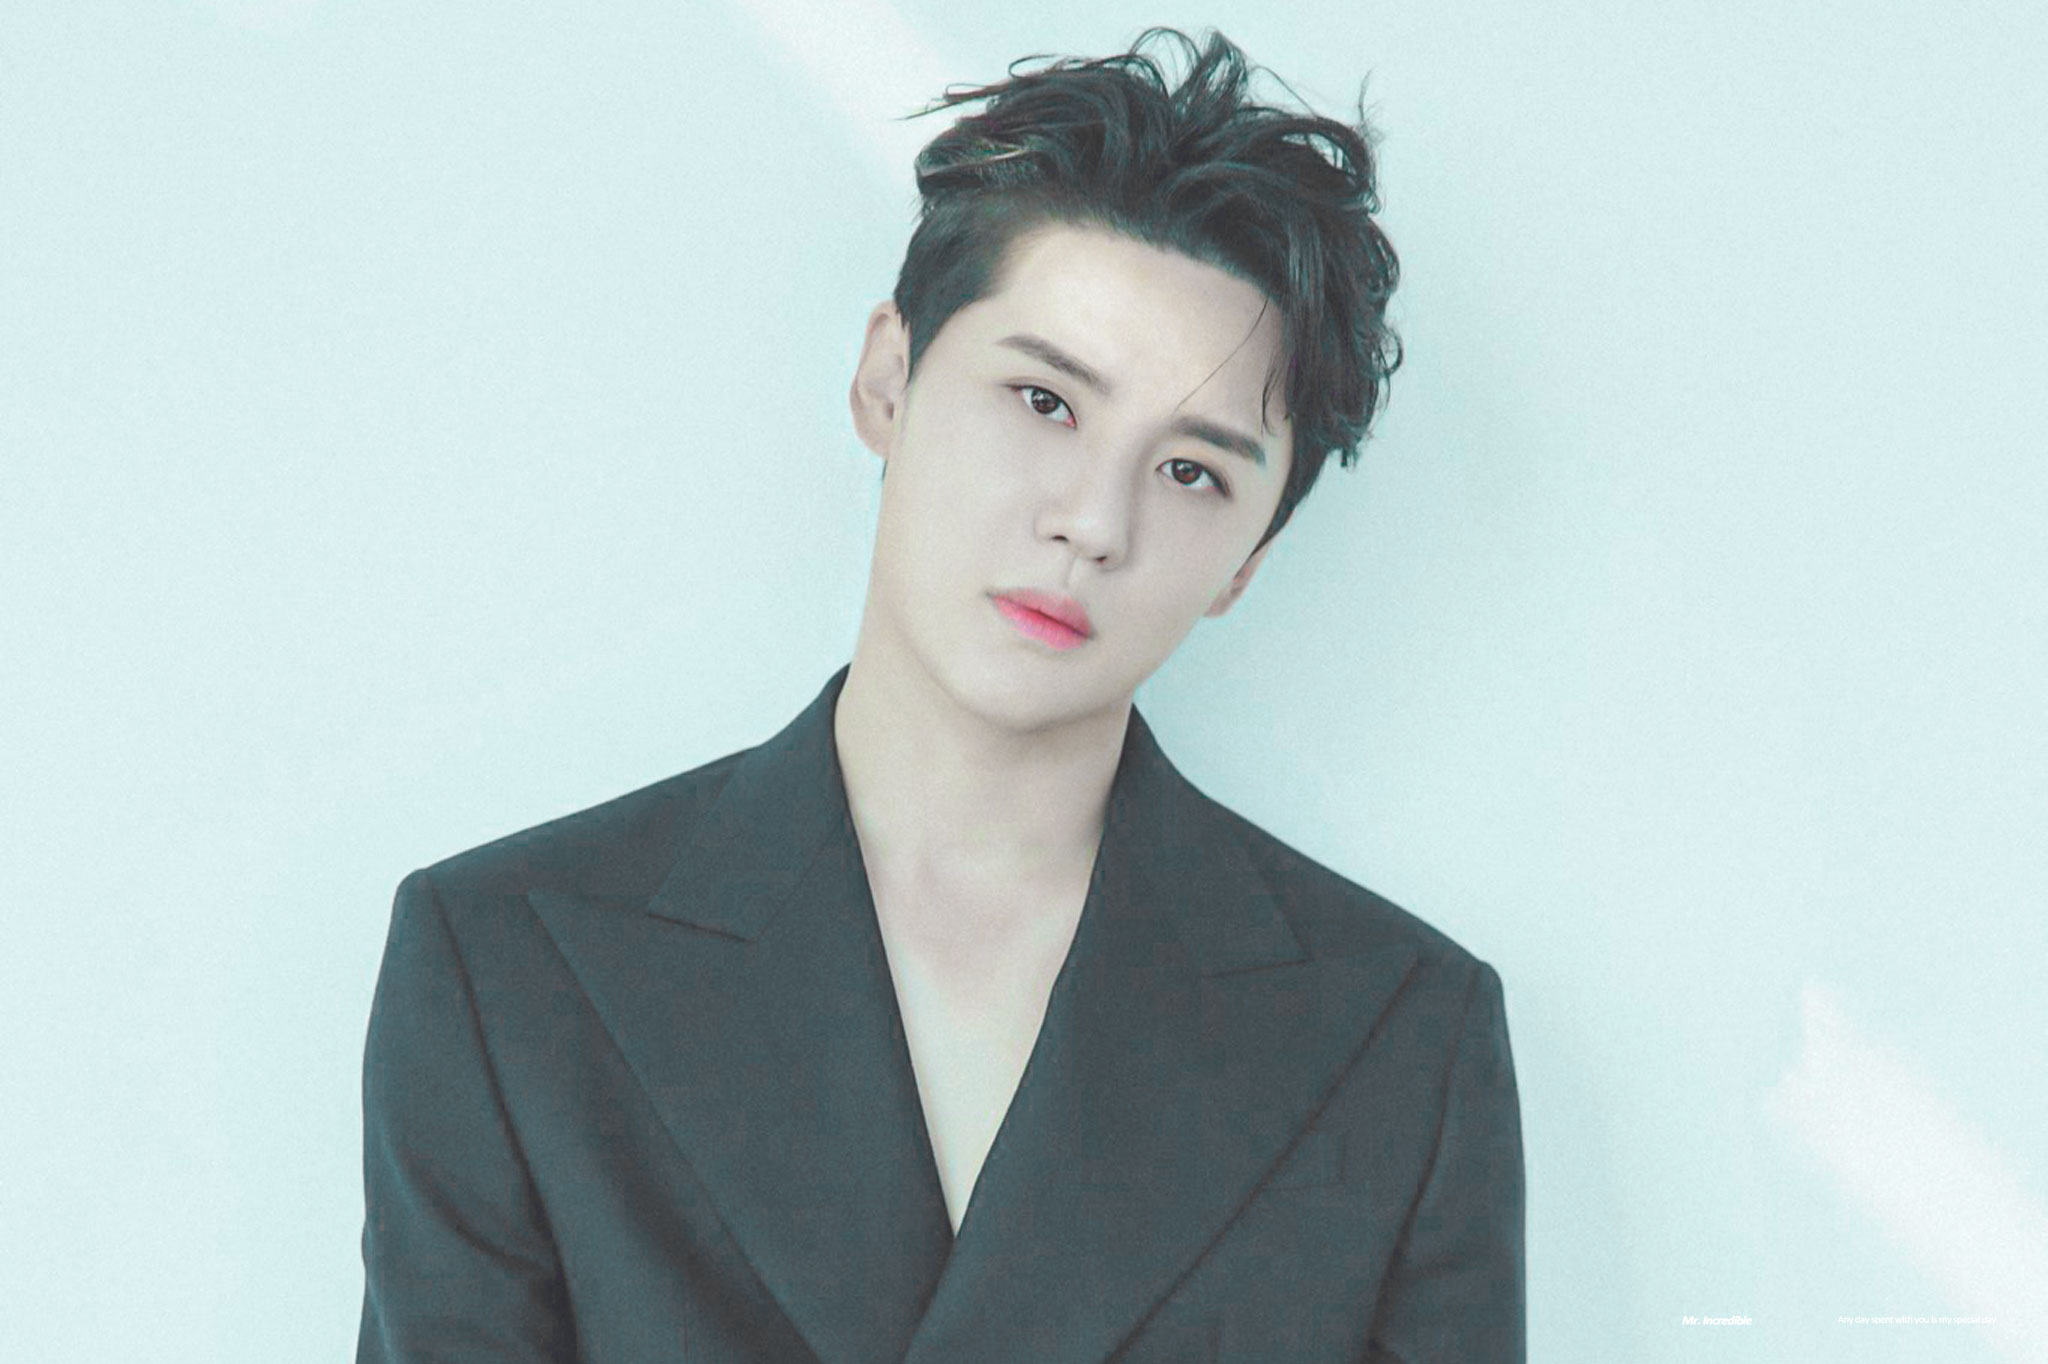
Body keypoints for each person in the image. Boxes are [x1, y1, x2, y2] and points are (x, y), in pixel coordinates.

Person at [356, 26, 1523, 1364]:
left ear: (1249, 559)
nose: (1094, 523)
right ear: (888, 380)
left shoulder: (1402, 1039)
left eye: (1192, 472)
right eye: (1043, 400)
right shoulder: (506, 962)